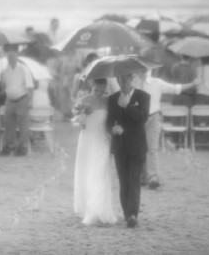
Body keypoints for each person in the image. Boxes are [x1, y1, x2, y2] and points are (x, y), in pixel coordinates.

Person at [137, 68, 197, 189]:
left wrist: (193, 84)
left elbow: (175, 88)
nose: (142, 72)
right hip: (137, 119)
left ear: (148, 70)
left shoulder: (156, 83)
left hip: (153, 117)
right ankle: (142, 176)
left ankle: (153, 177)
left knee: (152, 148)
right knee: (139, 149)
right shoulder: (133, 83)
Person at [106, 72, 150, 228]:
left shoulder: (143, 96)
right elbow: (109, 121)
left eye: (125, 79)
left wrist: (128, 106)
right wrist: (113, 128)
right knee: (124, 181)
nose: (123, 83)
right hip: (120, 146)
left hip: (137, 146)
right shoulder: (112, 99)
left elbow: (142, 118)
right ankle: (127, 212)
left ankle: (132, 215)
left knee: (134, 180)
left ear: (132, 79)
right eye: (120, 80)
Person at [73, 78, 117, 226]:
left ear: (106, 88)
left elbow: (112, 119)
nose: (99, 93)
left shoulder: (108, 101)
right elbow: (78, 123)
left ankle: (97, 209)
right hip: (87, 140)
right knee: (87, 172)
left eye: (102, 90)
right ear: (92, 86)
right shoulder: (83, 100)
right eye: (96, 90)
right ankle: (89, 208)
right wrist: (81, 119)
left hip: (102, 139)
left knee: (99, 172)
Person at [0, 48, 34, 156]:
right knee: (8, 124)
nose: (10, 58)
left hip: (22, 98)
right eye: (8, 56)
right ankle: (8, 146)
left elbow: (30, 86)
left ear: (16, 56)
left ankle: (22, 147)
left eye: (12, 55)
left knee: (23, 125)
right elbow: (3, 87)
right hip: (10, 100)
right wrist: (1, 79)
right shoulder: (6, 70)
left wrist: (30, 100)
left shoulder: (23, 69)